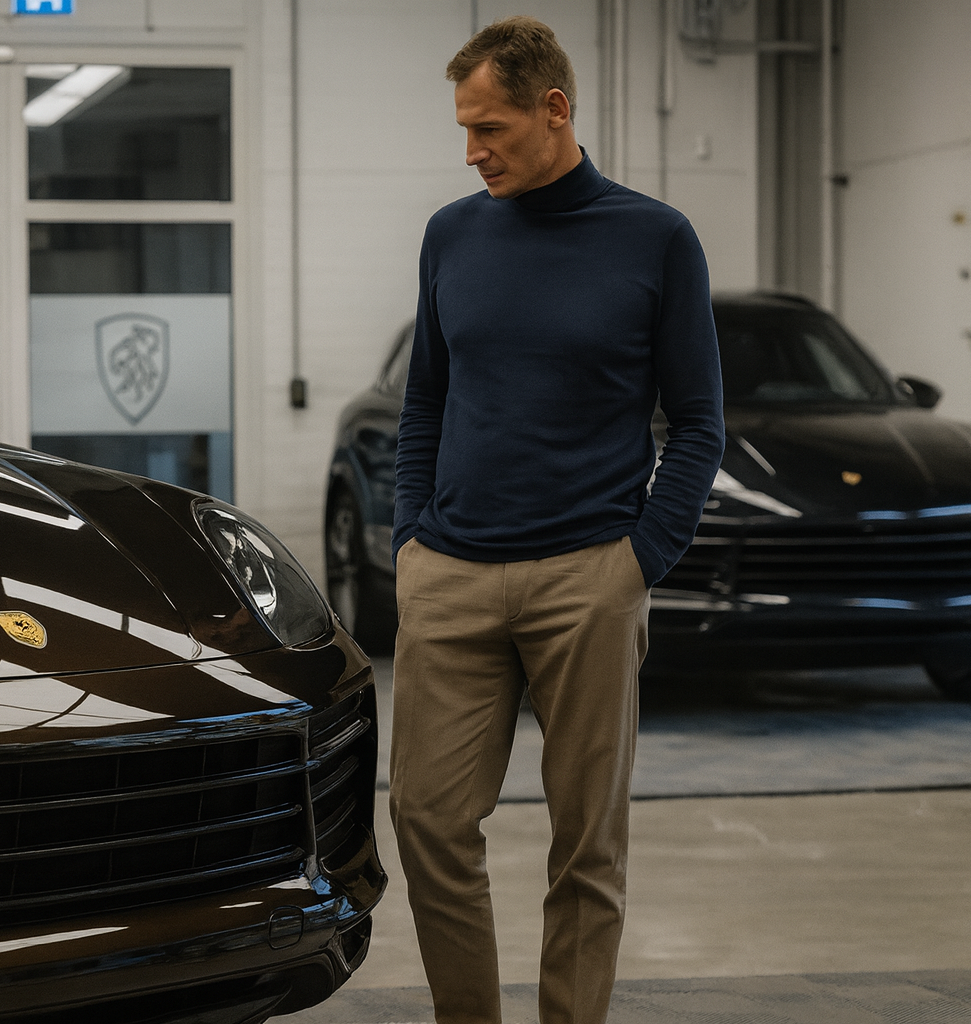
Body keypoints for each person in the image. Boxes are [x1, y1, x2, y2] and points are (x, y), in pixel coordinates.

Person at [388, 16, 725, 1024]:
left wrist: (639, 561)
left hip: (590, 575)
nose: (471, 150)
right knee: (427, 819)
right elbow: (423, 403)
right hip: (449, 572)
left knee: (588, 842)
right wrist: (408, 538)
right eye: (463, 129)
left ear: (555, 109)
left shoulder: (655, 237)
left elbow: (701, 422)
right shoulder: (451, 232)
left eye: (489, 127)